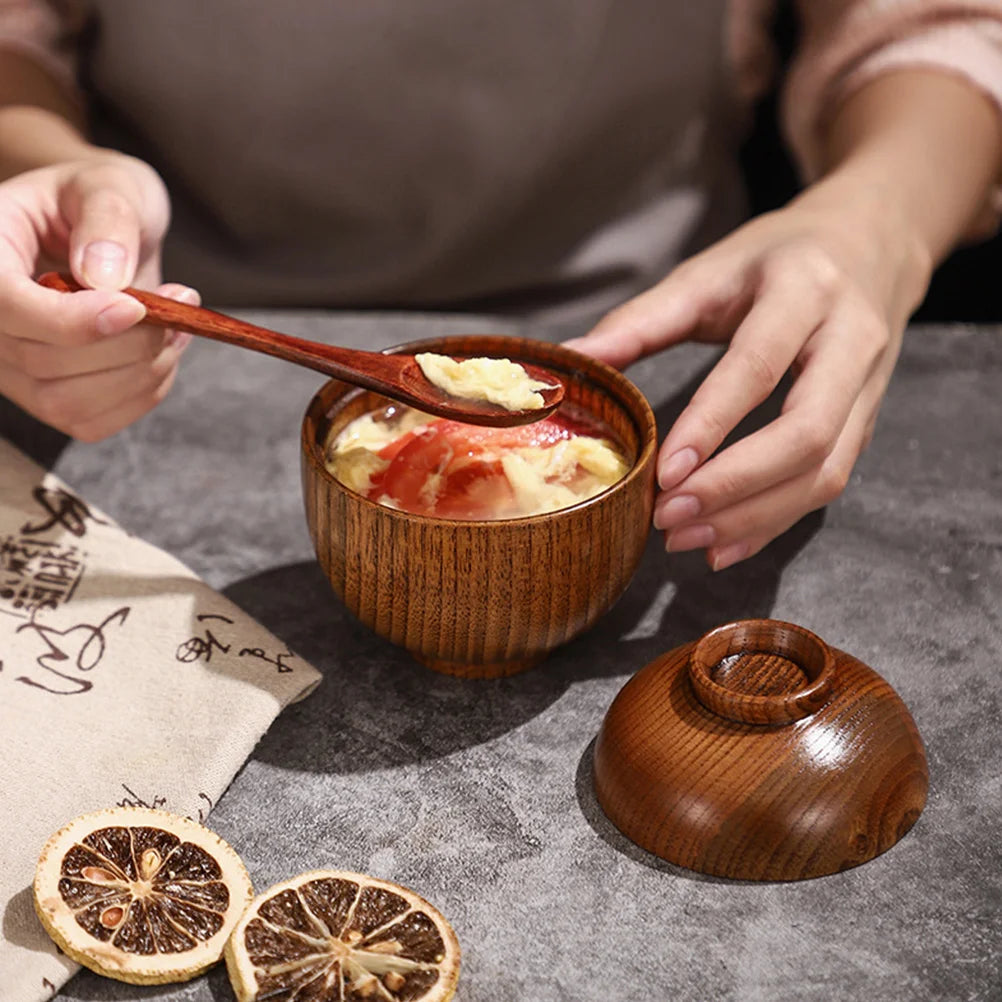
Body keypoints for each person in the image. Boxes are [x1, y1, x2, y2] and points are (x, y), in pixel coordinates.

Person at [0, 1, 1000, 571]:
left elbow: (938, 29)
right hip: (174, 342)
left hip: (665, 345)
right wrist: (45, 187)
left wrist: (879, 220)